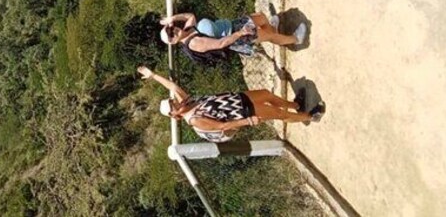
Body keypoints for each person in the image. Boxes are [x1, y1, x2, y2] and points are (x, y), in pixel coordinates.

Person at [137, 66, 323, 142]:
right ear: (174, 115)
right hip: (242, 111)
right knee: (277, 113)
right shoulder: (194, 120)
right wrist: (247, 121)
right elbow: (222, 126)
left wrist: (153, 76)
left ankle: (295, 105)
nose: (175, 103)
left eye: (172, 101)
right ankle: (309, 116)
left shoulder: (187, 101)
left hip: (238, 98)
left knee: (267, 94)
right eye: (172, 107)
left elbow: (172, 86)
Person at [159, 12, 308, 62]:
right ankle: (295, 39)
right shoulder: (194, 43)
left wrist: (172, 18)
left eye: (170, 28)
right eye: (171, 35)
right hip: (236, 36)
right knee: (267, 35)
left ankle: (275, 32)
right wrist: (240, 33)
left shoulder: (187, 30)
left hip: (232, 26)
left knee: (261, 18)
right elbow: (220, 44)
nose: (173, 31)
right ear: (173, 42)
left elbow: (190, 16)